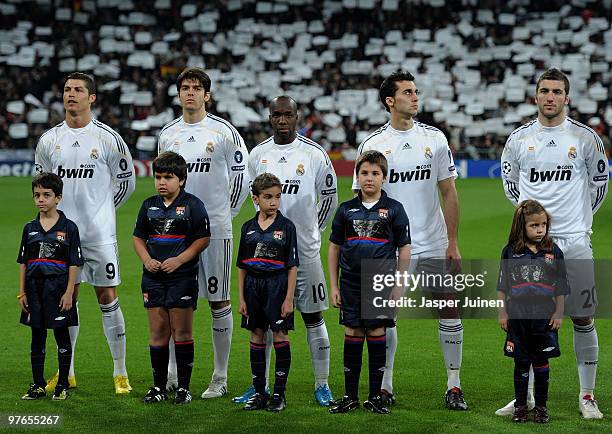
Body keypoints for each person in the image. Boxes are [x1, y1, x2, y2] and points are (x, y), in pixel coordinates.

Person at [353, 71, 467, 409]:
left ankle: (454, 384)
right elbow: (363, 202)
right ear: (390, 101)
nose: (415, 97)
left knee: (449, 307)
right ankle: (385, 386)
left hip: (432, 242)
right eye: (407, 92)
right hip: (388, 247)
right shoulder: (372, 145)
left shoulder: (434, 139)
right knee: (385, 316)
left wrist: (453, 241)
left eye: (416, 91)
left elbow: (449, 192)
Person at [500, 68, 609, 419]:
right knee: (528, 318)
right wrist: (533, 225)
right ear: (536, 96)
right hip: (532, 247)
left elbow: (599, 184)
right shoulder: (518, 139)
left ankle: (587, 395)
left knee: (583, 316)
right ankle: (526, 397)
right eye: (544, 91)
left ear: (567, 97)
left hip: (575, 242)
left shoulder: (585, 139)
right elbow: (511, 185)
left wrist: (577, 222)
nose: (550, 97)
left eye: (557, 91)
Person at [35, 72, 135, 394]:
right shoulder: (49, 141)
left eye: (78, 90)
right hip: (62, 238)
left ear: (92, 97)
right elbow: (43, 187)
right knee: (68, 300)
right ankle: (69, 372)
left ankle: (120, 372)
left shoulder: (108, 138)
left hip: (99, 236)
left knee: (108, 297)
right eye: (67, 89)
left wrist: (102, 210)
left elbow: (126, 184)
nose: (71, 95)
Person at [237, 95, 337, 406]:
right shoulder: (258, 155)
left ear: (297, 117)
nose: (282, 120)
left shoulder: (314, 154)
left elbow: (330, 199)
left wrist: (311, 233)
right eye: (277, 115)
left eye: (288, 114)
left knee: (313, 316)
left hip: (304, 253)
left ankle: (322, 384)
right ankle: (260, 386)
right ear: (269, 117)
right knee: (263, 323)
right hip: (264, 255)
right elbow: (251, 196)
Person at [158, 67, 250, 398]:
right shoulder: (168, 134)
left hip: (215, 232)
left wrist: (224, 215)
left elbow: (242, 177)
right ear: (179, 94)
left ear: (207, 95)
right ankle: (171, 373)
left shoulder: (225, 132)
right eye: (185, 88)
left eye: (197, 88)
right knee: (175, 303)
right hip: (174, 234)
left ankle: (220, 376)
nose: (191, 93)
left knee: (218, 300)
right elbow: (163, 182)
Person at [328, 150, 411, 414]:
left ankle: (376, 397)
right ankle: (350, 396)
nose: (369, 178)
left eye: (375, 173)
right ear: (357, 176)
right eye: (364, 173)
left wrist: (399, 285)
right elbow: (334, 248)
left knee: (376, 333)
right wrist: (334, 285)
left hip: (380, 282)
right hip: (351, 282)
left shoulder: (394, 209)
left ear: (384, 178)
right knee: (352, 332)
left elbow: (404, 248)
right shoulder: (346, 210)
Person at [133, 152, 210, 405]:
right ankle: (158, 386)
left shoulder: (193, 205)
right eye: (158, 177)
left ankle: (183, 388)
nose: (162, 182)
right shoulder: (148, 205)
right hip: (153, 277)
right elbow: (138, 237)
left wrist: (179, 259)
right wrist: (146, 260)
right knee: (157, 332)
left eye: (168, 177)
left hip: (183, 277)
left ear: (182, 180)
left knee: (182, 332)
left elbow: (203, 238)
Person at [497, 200, 568, 423]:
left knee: (541, 362)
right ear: (522, 226)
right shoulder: (510, 252)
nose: (540, 230)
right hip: (517, 316)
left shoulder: (553, 252)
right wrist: (502, 312)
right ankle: (520, 406)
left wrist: (558, 313)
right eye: (534, 225)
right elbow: (502, 286)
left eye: (543, 225)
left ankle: (541, 407)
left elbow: (561, 286)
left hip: (544, 317)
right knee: (520, 362)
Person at [236, 173, 299, 412]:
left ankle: (279, 394)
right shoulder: (247, 228)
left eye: (277, 197)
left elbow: (293, 265)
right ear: (255, 199)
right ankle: (260, 392)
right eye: (268, 197)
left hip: (277, 286)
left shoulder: (286, 227)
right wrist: (241, 297)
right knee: (256, 335)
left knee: (281, 336)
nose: (274, 202)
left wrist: (289, 298)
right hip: (253, 287)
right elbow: (242, 266)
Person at [18, 173, 83, 401]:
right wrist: (22, 291)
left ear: (58, 198)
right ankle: (37, 384)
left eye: (46, 195)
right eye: (37, 195)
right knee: (37, 337)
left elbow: (74, 263)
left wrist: (68, 293)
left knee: (61, 336)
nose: (41, 200)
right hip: (34, 289)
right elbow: (23, 262)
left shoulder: (69, 228)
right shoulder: (29, 228)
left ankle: (62, 384)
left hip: (58, 290)